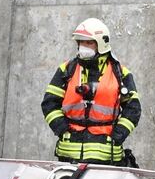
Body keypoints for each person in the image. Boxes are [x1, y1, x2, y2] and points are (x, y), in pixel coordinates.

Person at [42, 18, 140, 165]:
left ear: (101, 44)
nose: (83, 47)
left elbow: (133, 109)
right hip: (69, 156)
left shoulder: (120, 73)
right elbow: (49, 103)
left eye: (89, 42)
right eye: (81, 42)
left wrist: (118, 135)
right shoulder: (67, 69)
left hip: (107, 157)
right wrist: (62, 129)